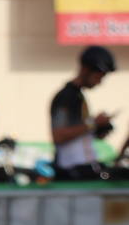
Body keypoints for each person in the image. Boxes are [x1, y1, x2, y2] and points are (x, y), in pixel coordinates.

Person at [50, 45, 117, 180]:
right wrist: (93, 124)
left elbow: (79, 135)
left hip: (82, 168)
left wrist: (98, 129)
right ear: (86, 69)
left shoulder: (78, 96)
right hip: (72, 171)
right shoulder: (66, 97)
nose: (100, 82)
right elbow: (59, 135)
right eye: (99, 76)